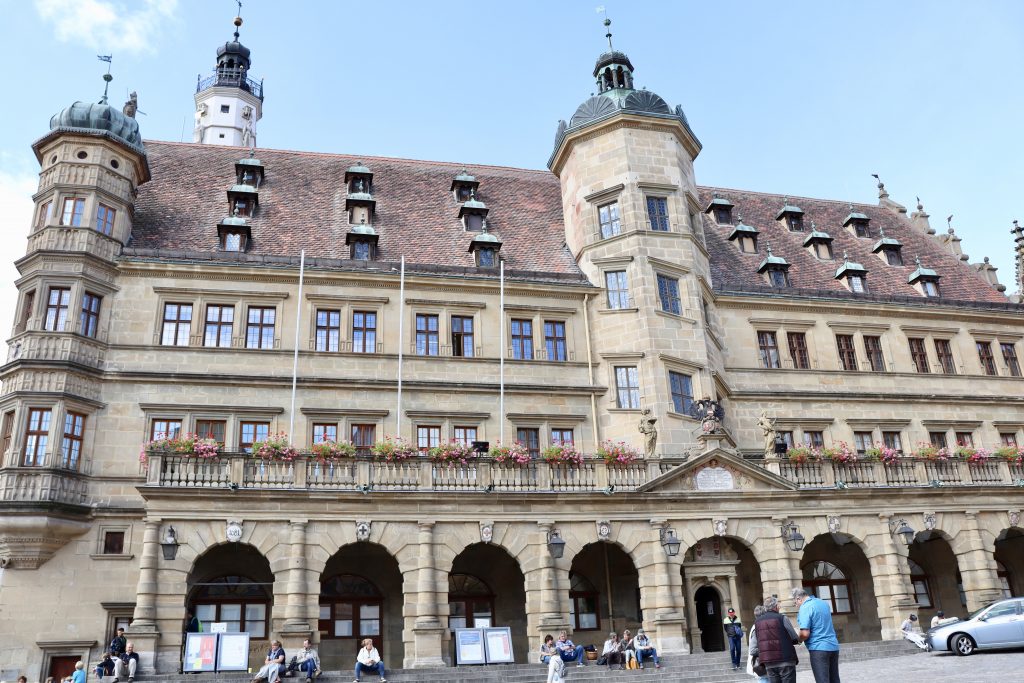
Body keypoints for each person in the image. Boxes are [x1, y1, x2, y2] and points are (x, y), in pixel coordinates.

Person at [792, 587, 841, 683]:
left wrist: (799, 640)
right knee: (834, 679)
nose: (796, 605)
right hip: (833, 647)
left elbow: (805, 633)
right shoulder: (823, 603)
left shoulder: (805, 607)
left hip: (818, 648)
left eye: (795, 603)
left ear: (798, 598)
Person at [750, 596, 799, 683]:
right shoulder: (782, 618)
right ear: (776, 606)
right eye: (778, 605)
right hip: (785, 659)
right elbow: (794, 637)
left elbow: (758, 641)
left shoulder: (757, 622)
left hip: (768, 662)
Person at [746, 605, 769, 683]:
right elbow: (752, 650)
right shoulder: (756, 628)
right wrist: (767, 649)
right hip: (761, 665)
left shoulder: (758, 626)